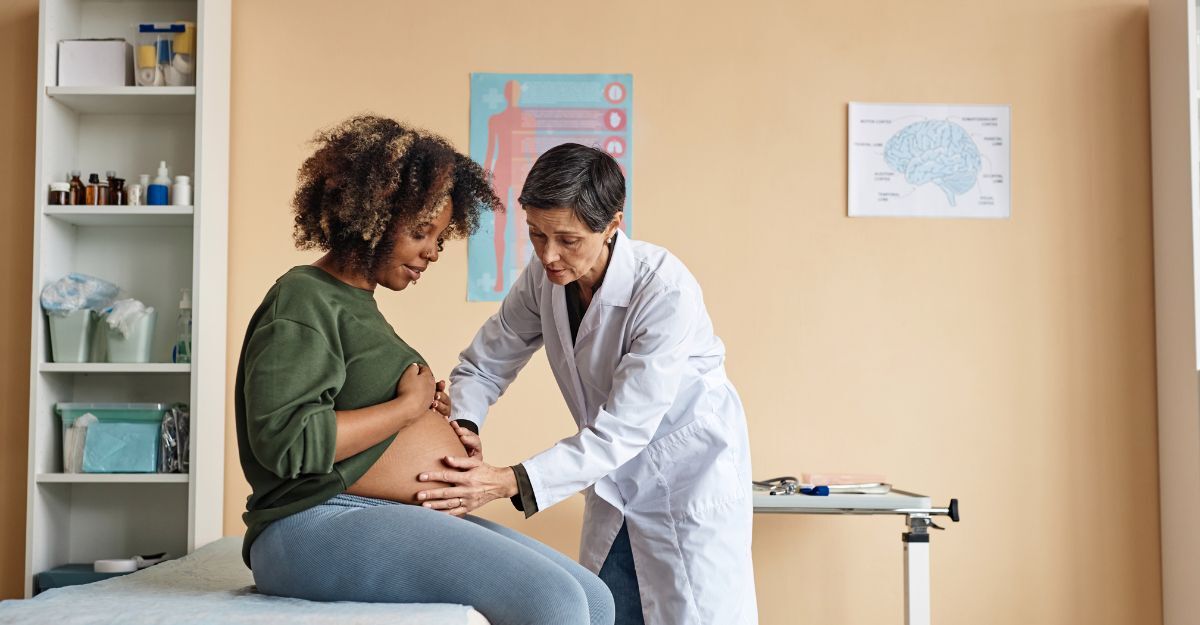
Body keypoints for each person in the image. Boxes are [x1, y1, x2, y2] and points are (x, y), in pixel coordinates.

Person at [236, 116, 615, 625]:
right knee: (556, 604)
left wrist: (440, 424)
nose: (433, 252)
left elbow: (359, 414)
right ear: (372, 216)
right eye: (420, 233)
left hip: (375, 513)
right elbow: (285, 444)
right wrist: (406, 410)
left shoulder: (359, 305)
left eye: (440, 237)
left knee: (593, 597)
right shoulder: (303, 298)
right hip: (309, 521)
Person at [417, 143, 758, 624]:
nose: (549, 255)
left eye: (567, 240)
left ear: (613, 225)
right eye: (536, 235)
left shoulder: (664, 291)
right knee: (605, 611)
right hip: (613, 483)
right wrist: (465, 426)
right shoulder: (544, 277)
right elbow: (485, 362)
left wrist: (505, 482)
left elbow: (623, 430)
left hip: (685, 484)